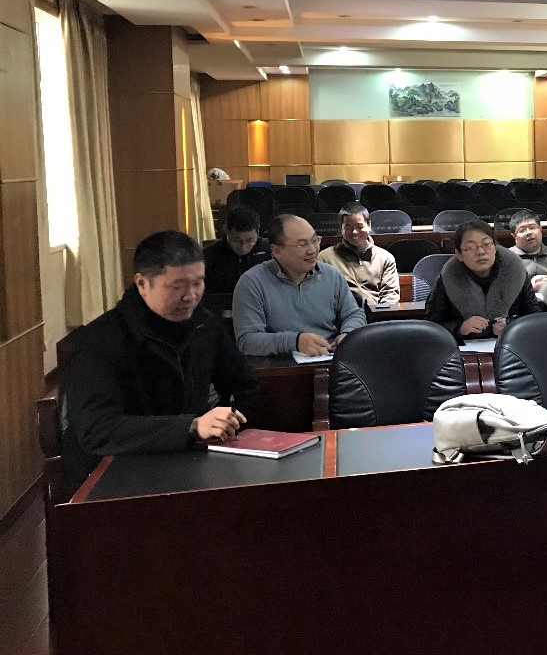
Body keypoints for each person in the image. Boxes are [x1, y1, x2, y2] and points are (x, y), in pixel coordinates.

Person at [59, 231, 259, 495]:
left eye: (198, 282)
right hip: (115, 473)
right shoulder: (101, 339)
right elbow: (97, 429)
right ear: (142, 283)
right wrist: (191, 426)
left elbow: (245, 385)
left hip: (188, 461)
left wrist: (229, 424)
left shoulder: (204, 325)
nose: (191, 296)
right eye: (177, 286)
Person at [232, 213, 366, 356]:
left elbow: (354, 314)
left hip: (329, 358)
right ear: (277, 251)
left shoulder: (331, 275)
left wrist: (348, 334)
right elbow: (247, 341)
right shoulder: (252, 283)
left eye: (315, 240)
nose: (312, 250)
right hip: (281, 364)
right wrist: (295, 342)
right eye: (302, 244)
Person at [425, 219, 540, 341]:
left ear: (495, 247)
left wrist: (510, 325)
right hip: (464, 347)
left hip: (510, 343)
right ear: (459, 254)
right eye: (471, 247)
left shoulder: (515, 270)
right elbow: (432, 325)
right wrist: (460, 328)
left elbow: (534, 318)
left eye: (486, 244)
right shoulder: (448, 277)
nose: (480, 252)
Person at [317, 202, 400, 308]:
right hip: (340, 315)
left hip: (376, 314)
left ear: (369, 225)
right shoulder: (324, 258)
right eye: (348, 227)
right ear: (341, 228)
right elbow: (320, 295)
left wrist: (379, 313)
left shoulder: (385, 258)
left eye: (360, 226)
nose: (354, 232)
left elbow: (390, 296)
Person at [203, 204, 270, 294]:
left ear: (258, 232)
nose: (243, 247)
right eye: (236, 239)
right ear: (226, 231)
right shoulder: (209, 256)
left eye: (250, 240)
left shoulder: (270, 251)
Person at [508, 210, 547, 292]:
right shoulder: (505, 258)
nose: (528, 233)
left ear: (540, 229)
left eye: (532, 228)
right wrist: (529, 288)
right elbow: (501, 289)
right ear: (514, 236)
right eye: (522, 230)